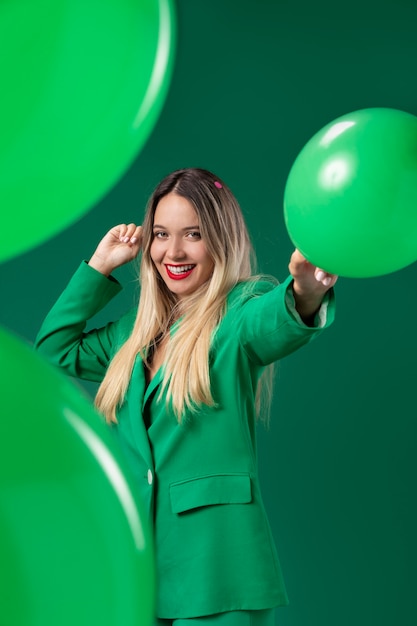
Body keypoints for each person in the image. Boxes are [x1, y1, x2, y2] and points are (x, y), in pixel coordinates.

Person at [35, 168, 337, 626]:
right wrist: (99, 266)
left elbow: (277, 319)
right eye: (160, 234)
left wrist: (307, 291)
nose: (172, 251)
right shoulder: (131, 336)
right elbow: (53, 352)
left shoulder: (239, 311)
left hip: (222, 574)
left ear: (220, 239)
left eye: (192, 234)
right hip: (143, 570)